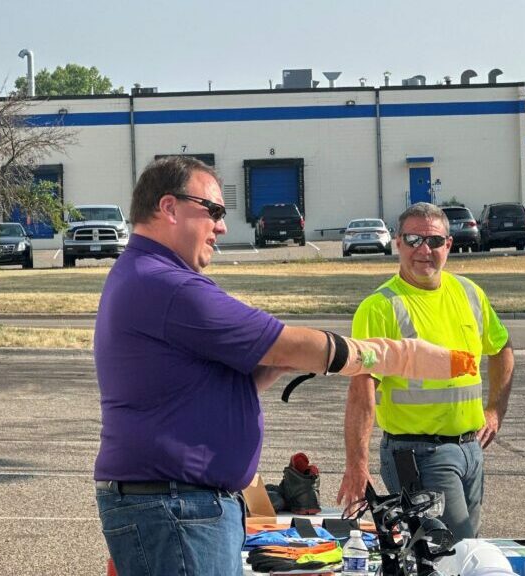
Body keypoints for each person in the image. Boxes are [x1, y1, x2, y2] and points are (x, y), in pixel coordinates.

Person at [93, 158, 475, 576]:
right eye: (214, 211)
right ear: (169, 207)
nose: (222, 226)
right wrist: (390, 355)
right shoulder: (167, 284)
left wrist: (278, 359)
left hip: (177, 504)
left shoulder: (144, 276)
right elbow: (286, 342)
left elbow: (215, 383)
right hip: (177, 507)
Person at [337, 202, 514, 541]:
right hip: (418, 454)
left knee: (460, 551)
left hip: (470, 450)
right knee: (455, 547)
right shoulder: (380, 307)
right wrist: (357, 464)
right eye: (413, 239)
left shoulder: (469, 293)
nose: (424, 250)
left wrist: (494, 411)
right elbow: (361, 392)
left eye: (434, 241)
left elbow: (502, 348)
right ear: (397, 243)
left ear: (449, 244)